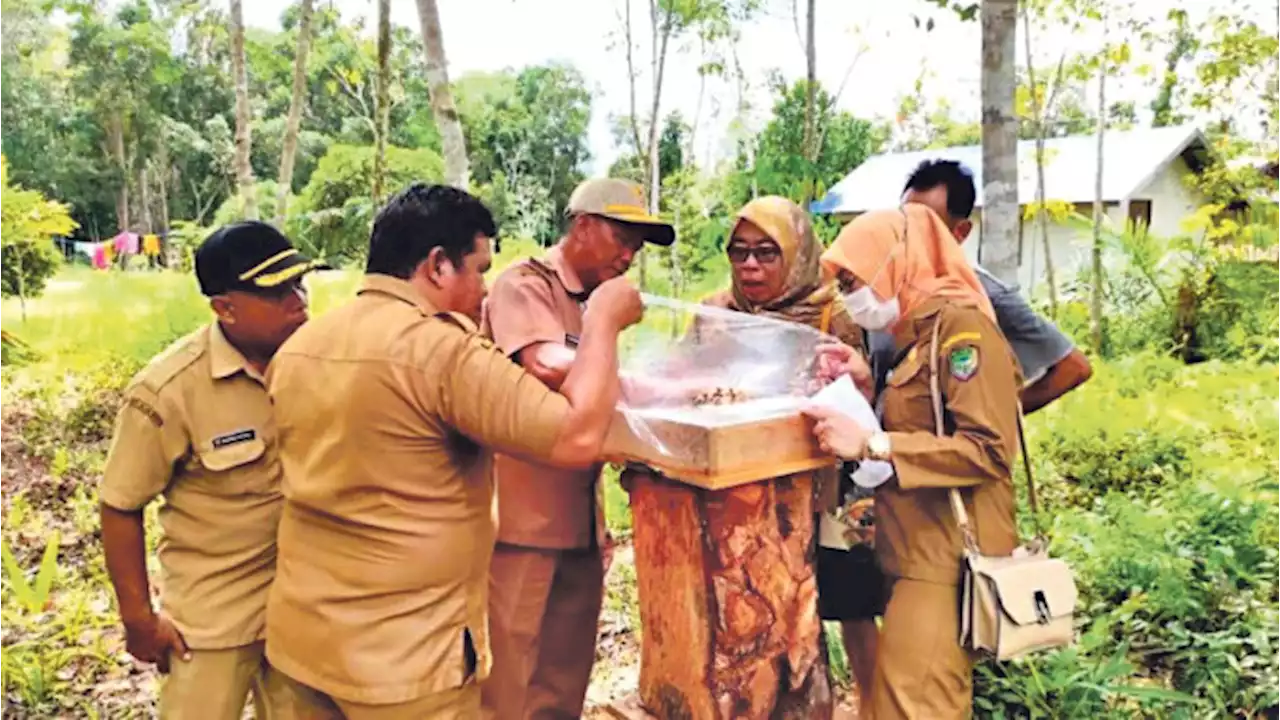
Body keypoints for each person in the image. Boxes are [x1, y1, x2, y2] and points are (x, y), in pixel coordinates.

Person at [263, 184, 643, 719]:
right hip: (405, 665)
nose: (484, 292)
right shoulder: (443, 353)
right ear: (438, 266)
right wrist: (603, 319)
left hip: (301, 644)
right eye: (478, 270)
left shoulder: (302, 346)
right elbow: (577, 436)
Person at [99, 221, 325, 719]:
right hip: (211, 619)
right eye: (277, 292)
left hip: (302, 606)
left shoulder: (319, 365)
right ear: (225, 308)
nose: (299, 301)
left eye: (299, 283)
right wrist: (138, 618)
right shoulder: (168, 391)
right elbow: (119, 505)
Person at [807, 203, 1023, 719]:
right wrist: (864, 387)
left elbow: (989, 449)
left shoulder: (963, 330)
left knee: (913, 705)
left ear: (897, 261)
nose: (849, 294)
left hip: (944, 557)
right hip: (911, 548)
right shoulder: (916, 336)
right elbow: (925, 427)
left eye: (855, 278)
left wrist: (873, 444)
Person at [480, 178, 675, 720]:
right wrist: (637, 374)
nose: (628, 255)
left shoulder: (592, 301)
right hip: (521, 527)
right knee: (507, 678)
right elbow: (543, 363)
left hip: (579, 526)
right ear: (582, 225)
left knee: (563, 678)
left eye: (638, 245)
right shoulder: (525, 285)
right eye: (621, 237)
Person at [701, 195, 879, 714]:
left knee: (849, 606)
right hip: (739, 494)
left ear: (797, 254)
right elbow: (693, 386)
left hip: (825, 491)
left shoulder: (833, 314)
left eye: (765, 253)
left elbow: (865, 401)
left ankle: (870, 705)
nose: (750, 266)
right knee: (751, 609)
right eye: (739, 253)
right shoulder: (718, 313)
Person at [883, 159, 1092, 412]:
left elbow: (1073, 368)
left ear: (961, 232)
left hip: (946, 450)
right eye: (905, 223)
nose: (909, 236)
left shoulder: (983, 294)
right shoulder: (884, 286)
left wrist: (1000, 417)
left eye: (926, 228)